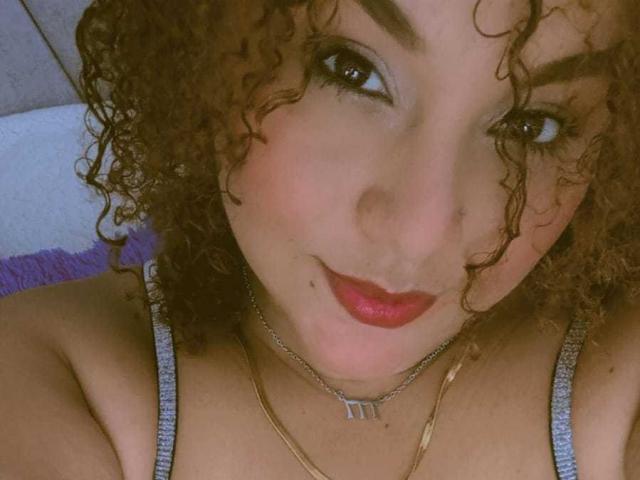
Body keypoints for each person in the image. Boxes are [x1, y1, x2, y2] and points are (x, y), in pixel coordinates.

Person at [1, 0, 639, 478]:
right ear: (209, 44)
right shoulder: (54, 379)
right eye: (352, 72)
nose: (418, 234)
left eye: (532, 125)